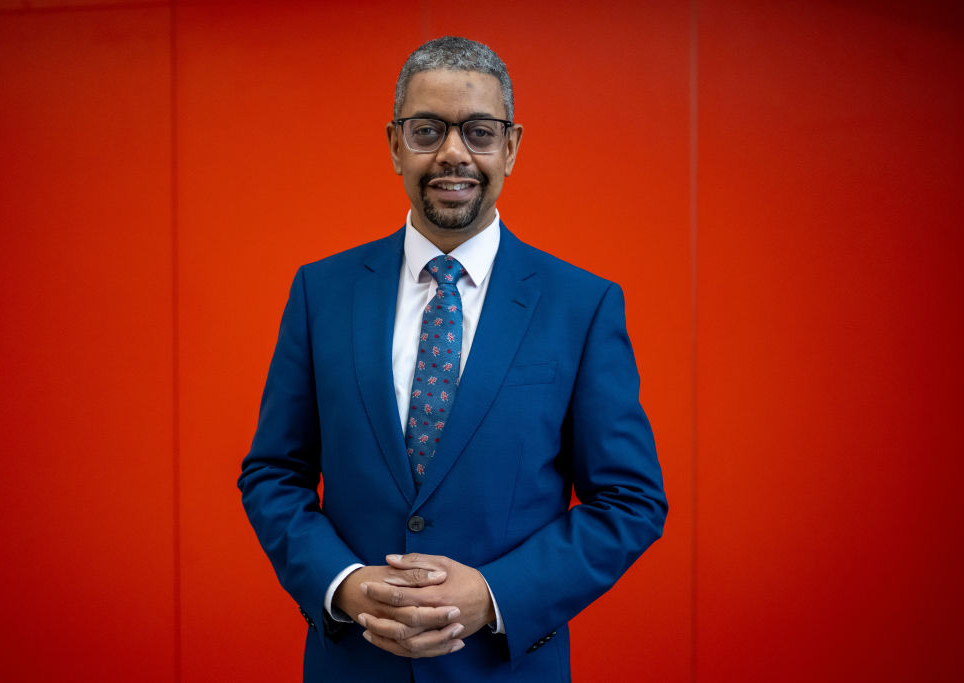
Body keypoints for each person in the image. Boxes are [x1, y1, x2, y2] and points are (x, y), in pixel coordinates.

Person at [238, 36, 667, 683]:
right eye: (427, 130)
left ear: (511, 147)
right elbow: (273, 471)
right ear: (395, 144)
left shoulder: (582, 305)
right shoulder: (320, 292)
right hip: (355, 666)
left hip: (505, 669)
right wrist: (342, 584)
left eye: (479, 132)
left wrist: (496, 595)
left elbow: (631, 499)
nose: (453, 153)